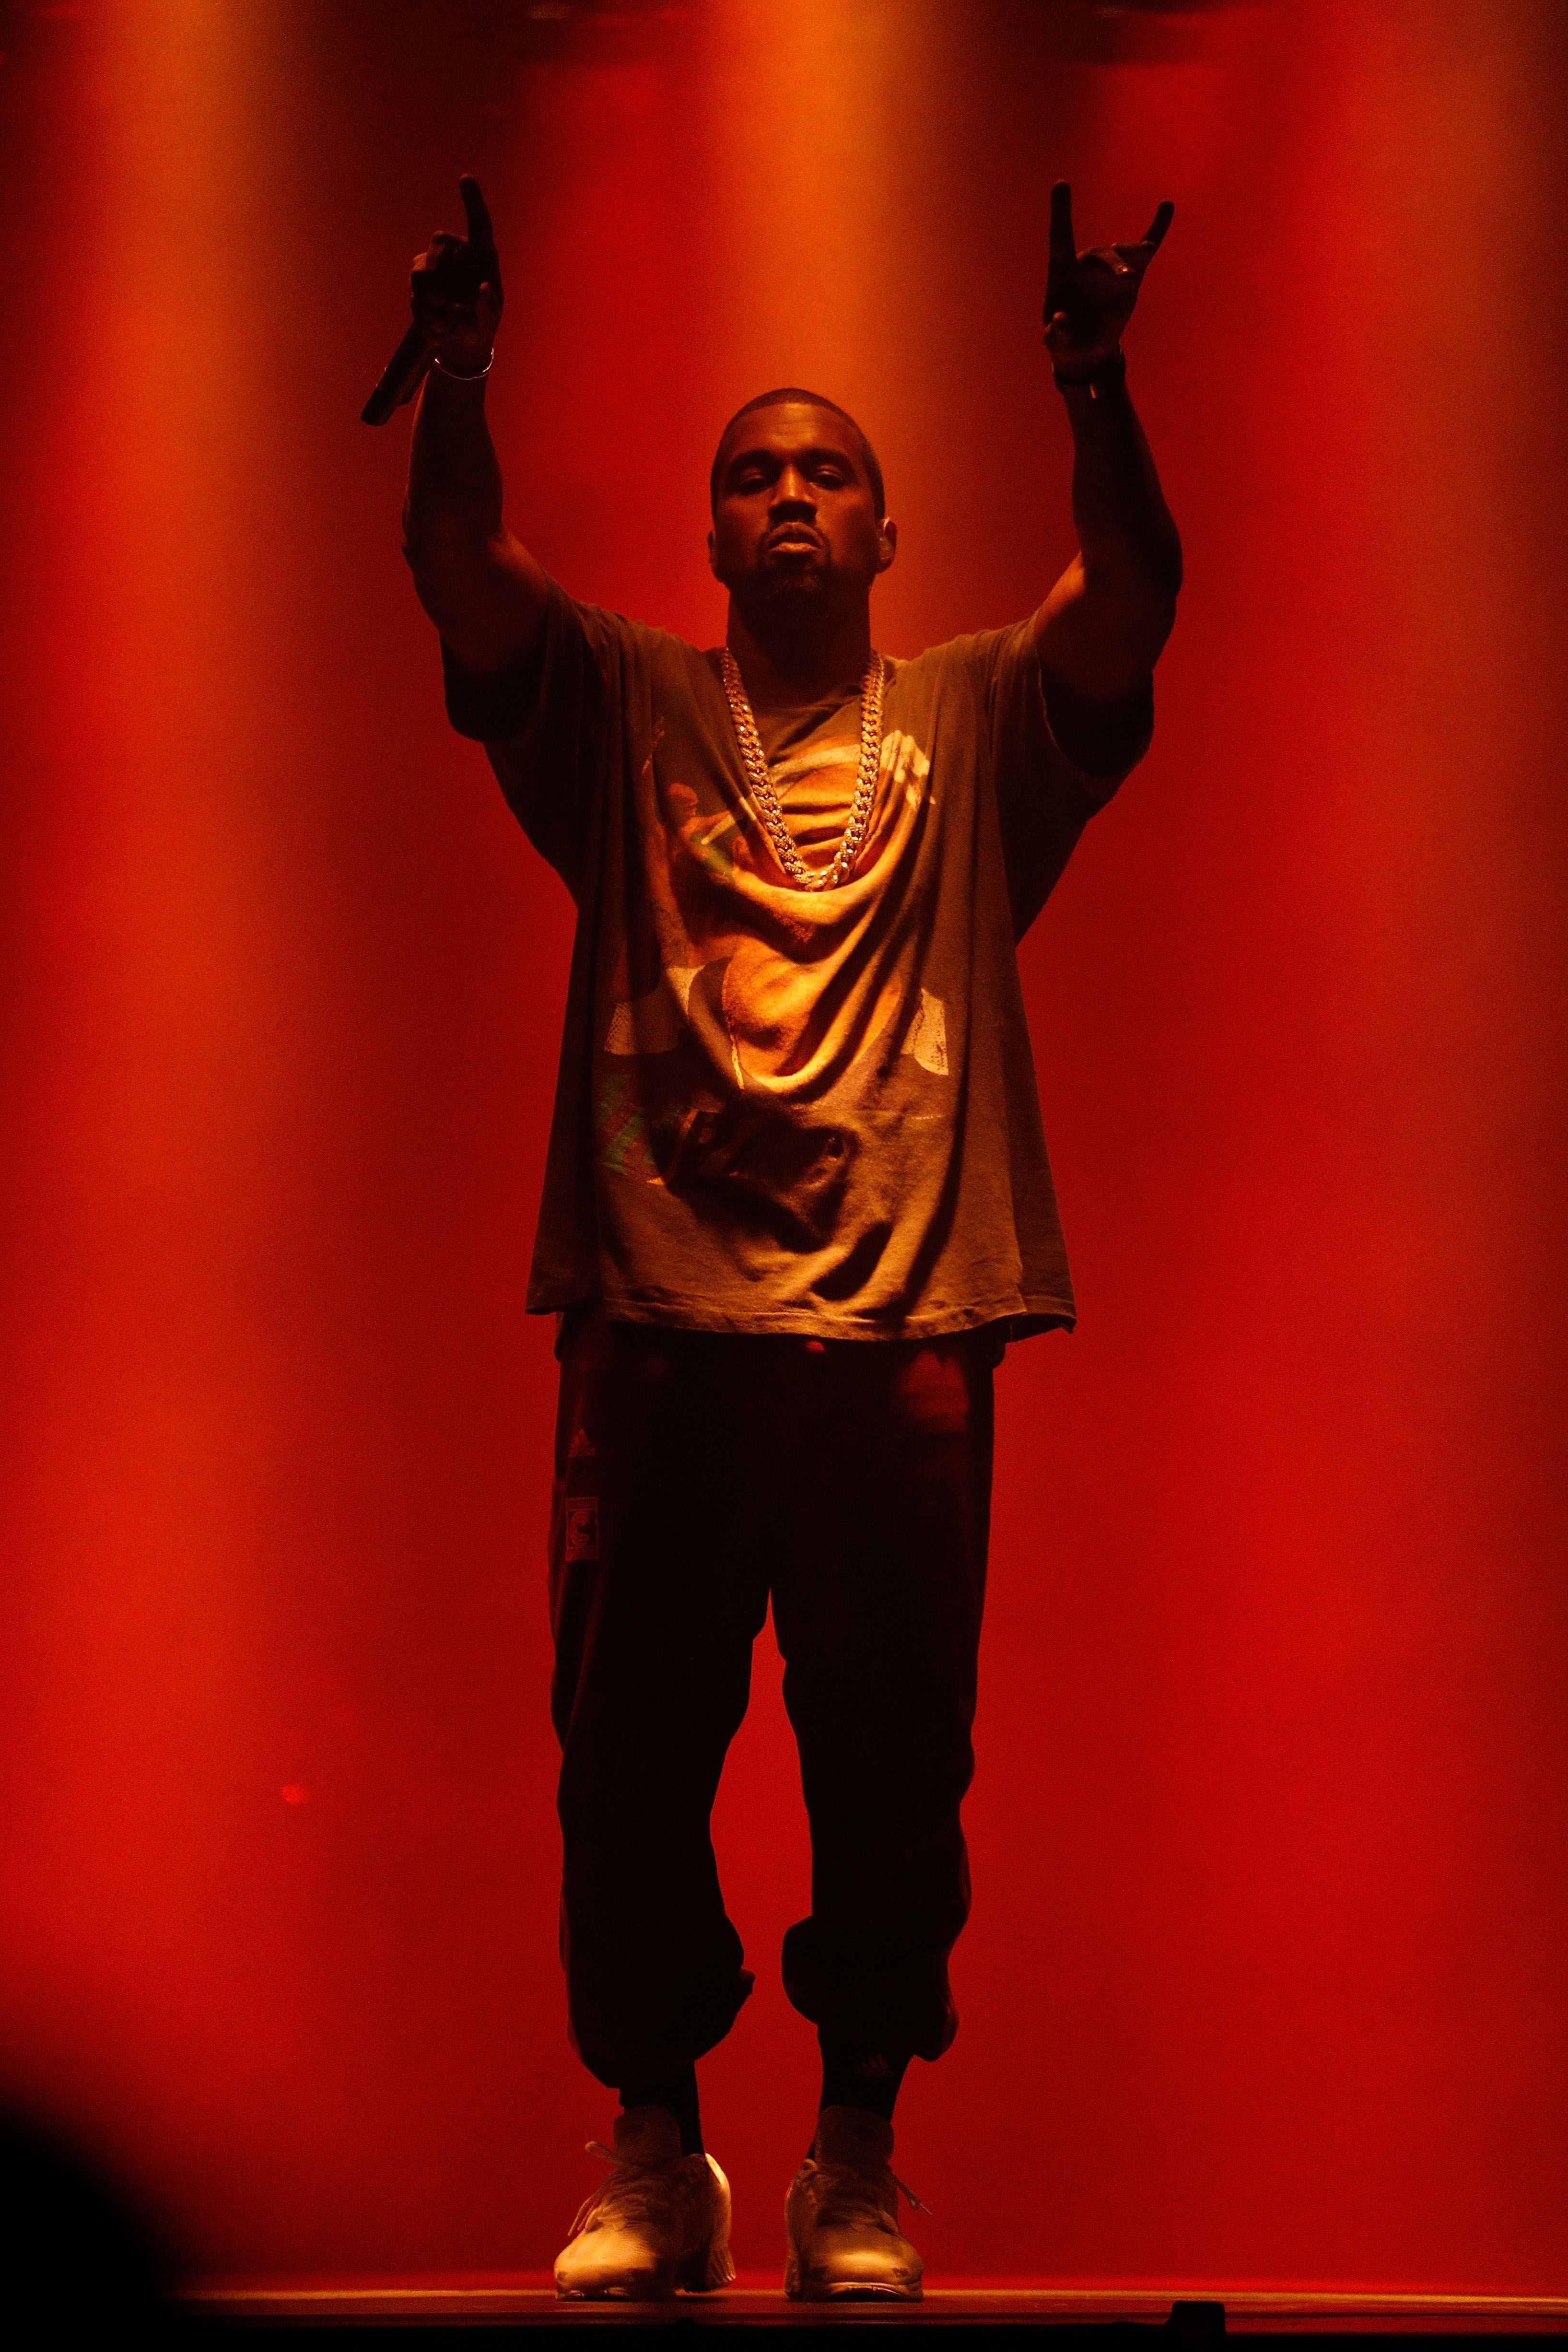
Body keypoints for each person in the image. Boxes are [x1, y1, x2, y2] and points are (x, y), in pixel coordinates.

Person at [396, 172, 1180, 2303]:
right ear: (715, 528)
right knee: (628, 1751)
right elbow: (461, 574)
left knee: (892, 1755)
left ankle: (852, 2148)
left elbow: (1130, 599)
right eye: (753, 474)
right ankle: (655, 2142)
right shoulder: (632, 705)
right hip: (658, 1315)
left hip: (906, 1317)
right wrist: (461, 372)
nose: (791, 496)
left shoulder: (972, 718)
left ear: (885, 529)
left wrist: (1092, 384)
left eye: (828, 471)